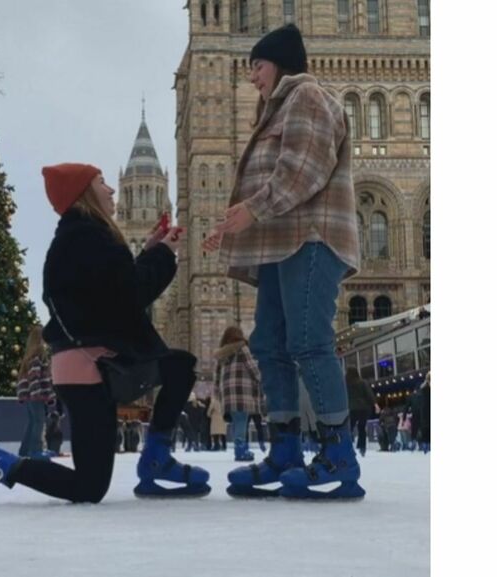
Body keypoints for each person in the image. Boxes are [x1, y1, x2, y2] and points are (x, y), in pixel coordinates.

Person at [0, 163, 210, 505]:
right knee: (177, 370)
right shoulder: (92, 236)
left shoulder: (78, 236)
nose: (111, 191)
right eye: (103, 183)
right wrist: (165, 254)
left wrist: (150, 252)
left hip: (82, 365)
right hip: (94, 365)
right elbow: (131, 296)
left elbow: (109, 294)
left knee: (91, 483)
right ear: (85, 194)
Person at [203, 24, 362, 500]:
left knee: (309, 342)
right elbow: (267, 181)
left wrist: (251, 209)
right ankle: (285, 449)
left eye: (257, 66)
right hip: (277, 244)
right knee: (268, 344)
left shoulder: (307, 97)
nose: (252, 76)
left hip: (311, 239)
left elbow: (303, 169)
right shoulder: (276, 107)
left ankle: (338, 453)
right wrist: (233, 220)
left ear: (279, 63)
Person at [214, 326, 263, 462]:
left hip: (228, 393)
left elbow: (216, 375)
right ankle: (240, 451)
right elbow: (252, 367)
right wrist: (261, 379)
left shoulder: (221, 353)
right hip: (242, 390)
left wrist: (217, 393)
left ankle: (241, 448)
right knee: (242, 420)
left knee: (237, 421)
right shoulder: (242, 348)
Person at [14, 325, 55, 459]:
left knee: (32, 422)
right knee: (39, 421)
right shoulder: (38, 353)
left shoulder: (30, 354)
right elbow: (34, 376)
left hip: (30, 395)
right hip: (35, 395)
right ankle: (35, 450)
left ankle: (24, 451)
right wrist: (38, 394)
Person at [345, 367, 379, 457]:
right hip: (364, 408)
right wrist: (375, 404)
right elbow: (369, 394)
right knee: (361, 428)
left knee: (349, 428)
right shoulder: (362, 382)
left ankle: (347, 447)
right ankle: (362, 447)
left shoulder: (346, 384)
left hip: (352, 408)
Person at [409, 372, 431, 453]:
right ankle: (426, 444)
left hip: (423, 412)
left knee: (424, 428)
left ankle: (425, 444)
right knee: (426, 428)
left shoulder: (422, 389)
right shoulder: (424, 389)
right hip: (426, 411)